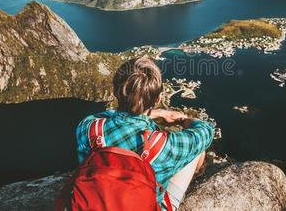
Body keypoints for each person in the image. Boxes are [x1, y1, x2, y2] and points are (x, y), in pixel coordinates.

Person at [76, 56, 214, 210]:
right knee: (196, 150)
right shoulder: (166, 147)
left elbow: (106, 115)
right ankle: (197, 179)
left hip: (95, 202)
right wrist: (184, 120)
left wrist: (155, 112)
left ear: (115, 91)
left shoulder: (89, 128)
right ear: (158, 98)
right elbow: (206, 131)